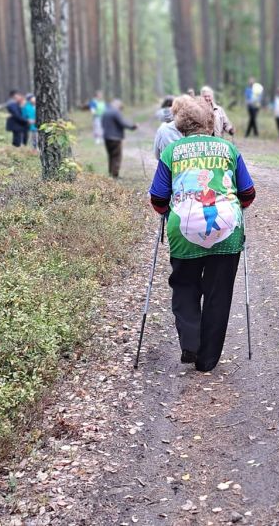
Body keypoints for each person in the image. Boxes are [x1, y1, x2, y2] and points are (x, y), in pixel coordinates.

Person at [148, 95, 257, 372]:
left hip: (184, 228)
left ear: (180, 123)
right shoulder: (228, 149)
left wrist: (167, 211)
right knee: (218, 293)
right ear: (210, 122)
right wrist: (236, 206)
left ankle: (190, 341)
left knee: (184, 285)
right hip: (226, 228)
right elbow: (247, 192)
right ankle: (207, 360)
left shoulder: (171, 152)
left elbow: (158, 197)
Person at [101, 99, 138, 178]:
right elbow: (122, 123)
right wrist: (133, 126)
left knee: (111, 155)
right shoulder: (116, 112)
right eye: (120, 108)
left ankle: (111, 173)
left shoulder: (105, 111)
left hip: (107, 137)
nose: (120, 109)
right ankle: (115, 175)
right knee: (117, 156)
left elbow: (102, 124)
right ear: (117, 105)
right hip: (115, 138)